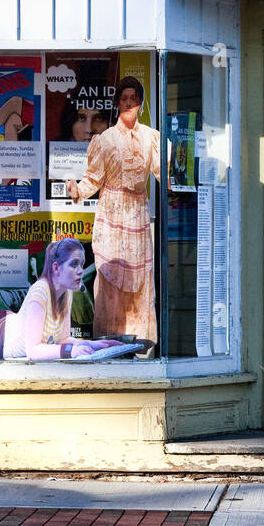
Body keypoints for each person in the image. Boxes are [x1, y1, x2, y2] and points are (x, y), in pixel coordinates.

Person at [65, 76, 160, 342]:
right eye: (124, 99)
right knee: (110, 276)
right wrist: (77, 190)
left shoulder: (151, 138)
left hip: (138, 214)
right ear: (118, 103)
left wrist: (183, 175)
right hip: (112, 214)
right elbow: (93, 179)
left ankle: (139, 342)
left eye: (133, 99)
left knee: (139, 277)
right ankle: (109, 341)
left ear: (140, 103)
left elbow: (166, 173)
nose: (129, 103)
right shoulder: (105, 139)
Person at [0, 239, 122, 360]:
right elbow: (33, 350)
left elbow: (64, 338)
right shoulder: (40, 292)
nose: (81, 271)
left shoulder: (65, 291)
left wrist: (95, 345)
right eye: (74, 264)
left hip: (2, 326)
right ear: (56, 267)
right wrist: (70, 351)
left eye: (81, 264)